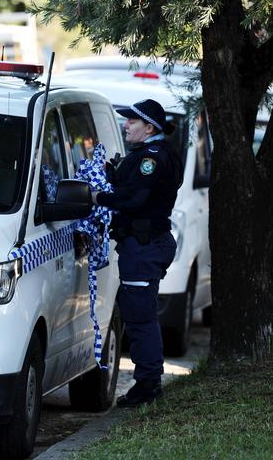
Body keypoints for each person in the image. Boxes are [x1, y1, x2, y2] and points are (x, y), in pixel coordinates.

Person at [92, 99, 183, 408]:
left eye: (132, 121)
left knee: (140, 318)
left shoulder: (152, 158)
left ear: (149, 128)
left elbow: (136, 199)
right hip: (143, 245)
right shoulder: (149, 155)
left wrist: (98, 197)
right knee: (138, 314)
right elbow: (130, 186)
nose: (126, 124)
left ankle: (147, 385)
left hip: (144, 247)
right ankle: (148, 381)